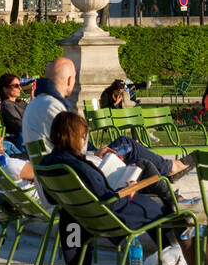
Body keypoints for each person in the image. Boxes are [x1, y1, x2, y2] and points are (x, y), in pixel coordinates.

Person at [41, 111, 200, 265]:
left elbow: (51, 198)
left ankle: (174, 253)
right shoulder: (79, 166)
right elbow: (112, 203)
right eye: (83, 136)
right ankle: (181, 259)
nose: (84, 141)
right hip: (112, 215)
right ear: (74, 137)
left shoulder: (48, 163)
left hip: (85, 217)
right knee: (166, 209)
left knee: (148, 180)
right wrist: (129, 190)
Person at [23, 57, 194, 208]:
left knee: (128, 151)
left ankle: (171, 183)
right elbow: (73, 152)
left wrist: (94, 153)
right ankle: (173, 190)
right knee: (138, 160)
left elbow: (66, 149)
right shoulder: (54, 107)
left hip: (58, 178)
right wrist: (94, 154)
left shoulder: (36, 104)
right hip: (71, 182)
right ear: (69, 80)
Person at [0, 73, 26, 146]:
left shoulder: (21, 102)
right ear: (5, 89)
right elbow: (20, 125)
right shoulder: (7, 105)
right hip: (21, 142)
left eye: (20, 85)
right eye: (16, 86)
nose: (20, 88)